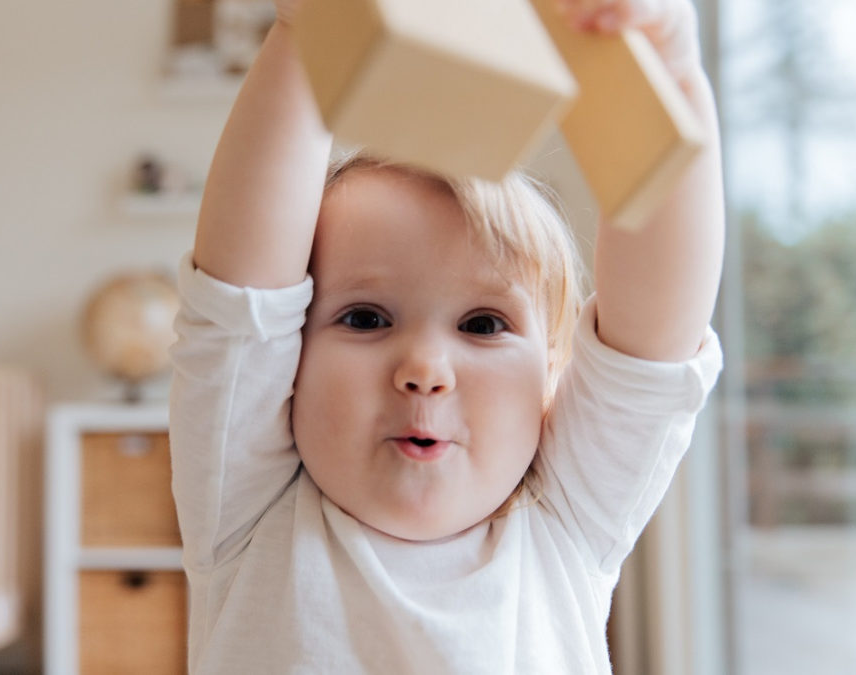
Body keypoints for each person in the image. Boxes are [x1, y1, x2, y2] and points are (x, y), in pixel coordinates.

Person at [168, 0, 724, 671]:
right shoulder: (250, 510)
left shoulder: (566, 520)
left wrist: (673, 71)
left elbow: (655, 341)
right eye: (366, 318)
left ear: (551, 376)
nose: (425, 368)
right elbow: (240, 303)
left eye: (483, 325)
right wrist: (310, 25)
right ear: (289, 361)